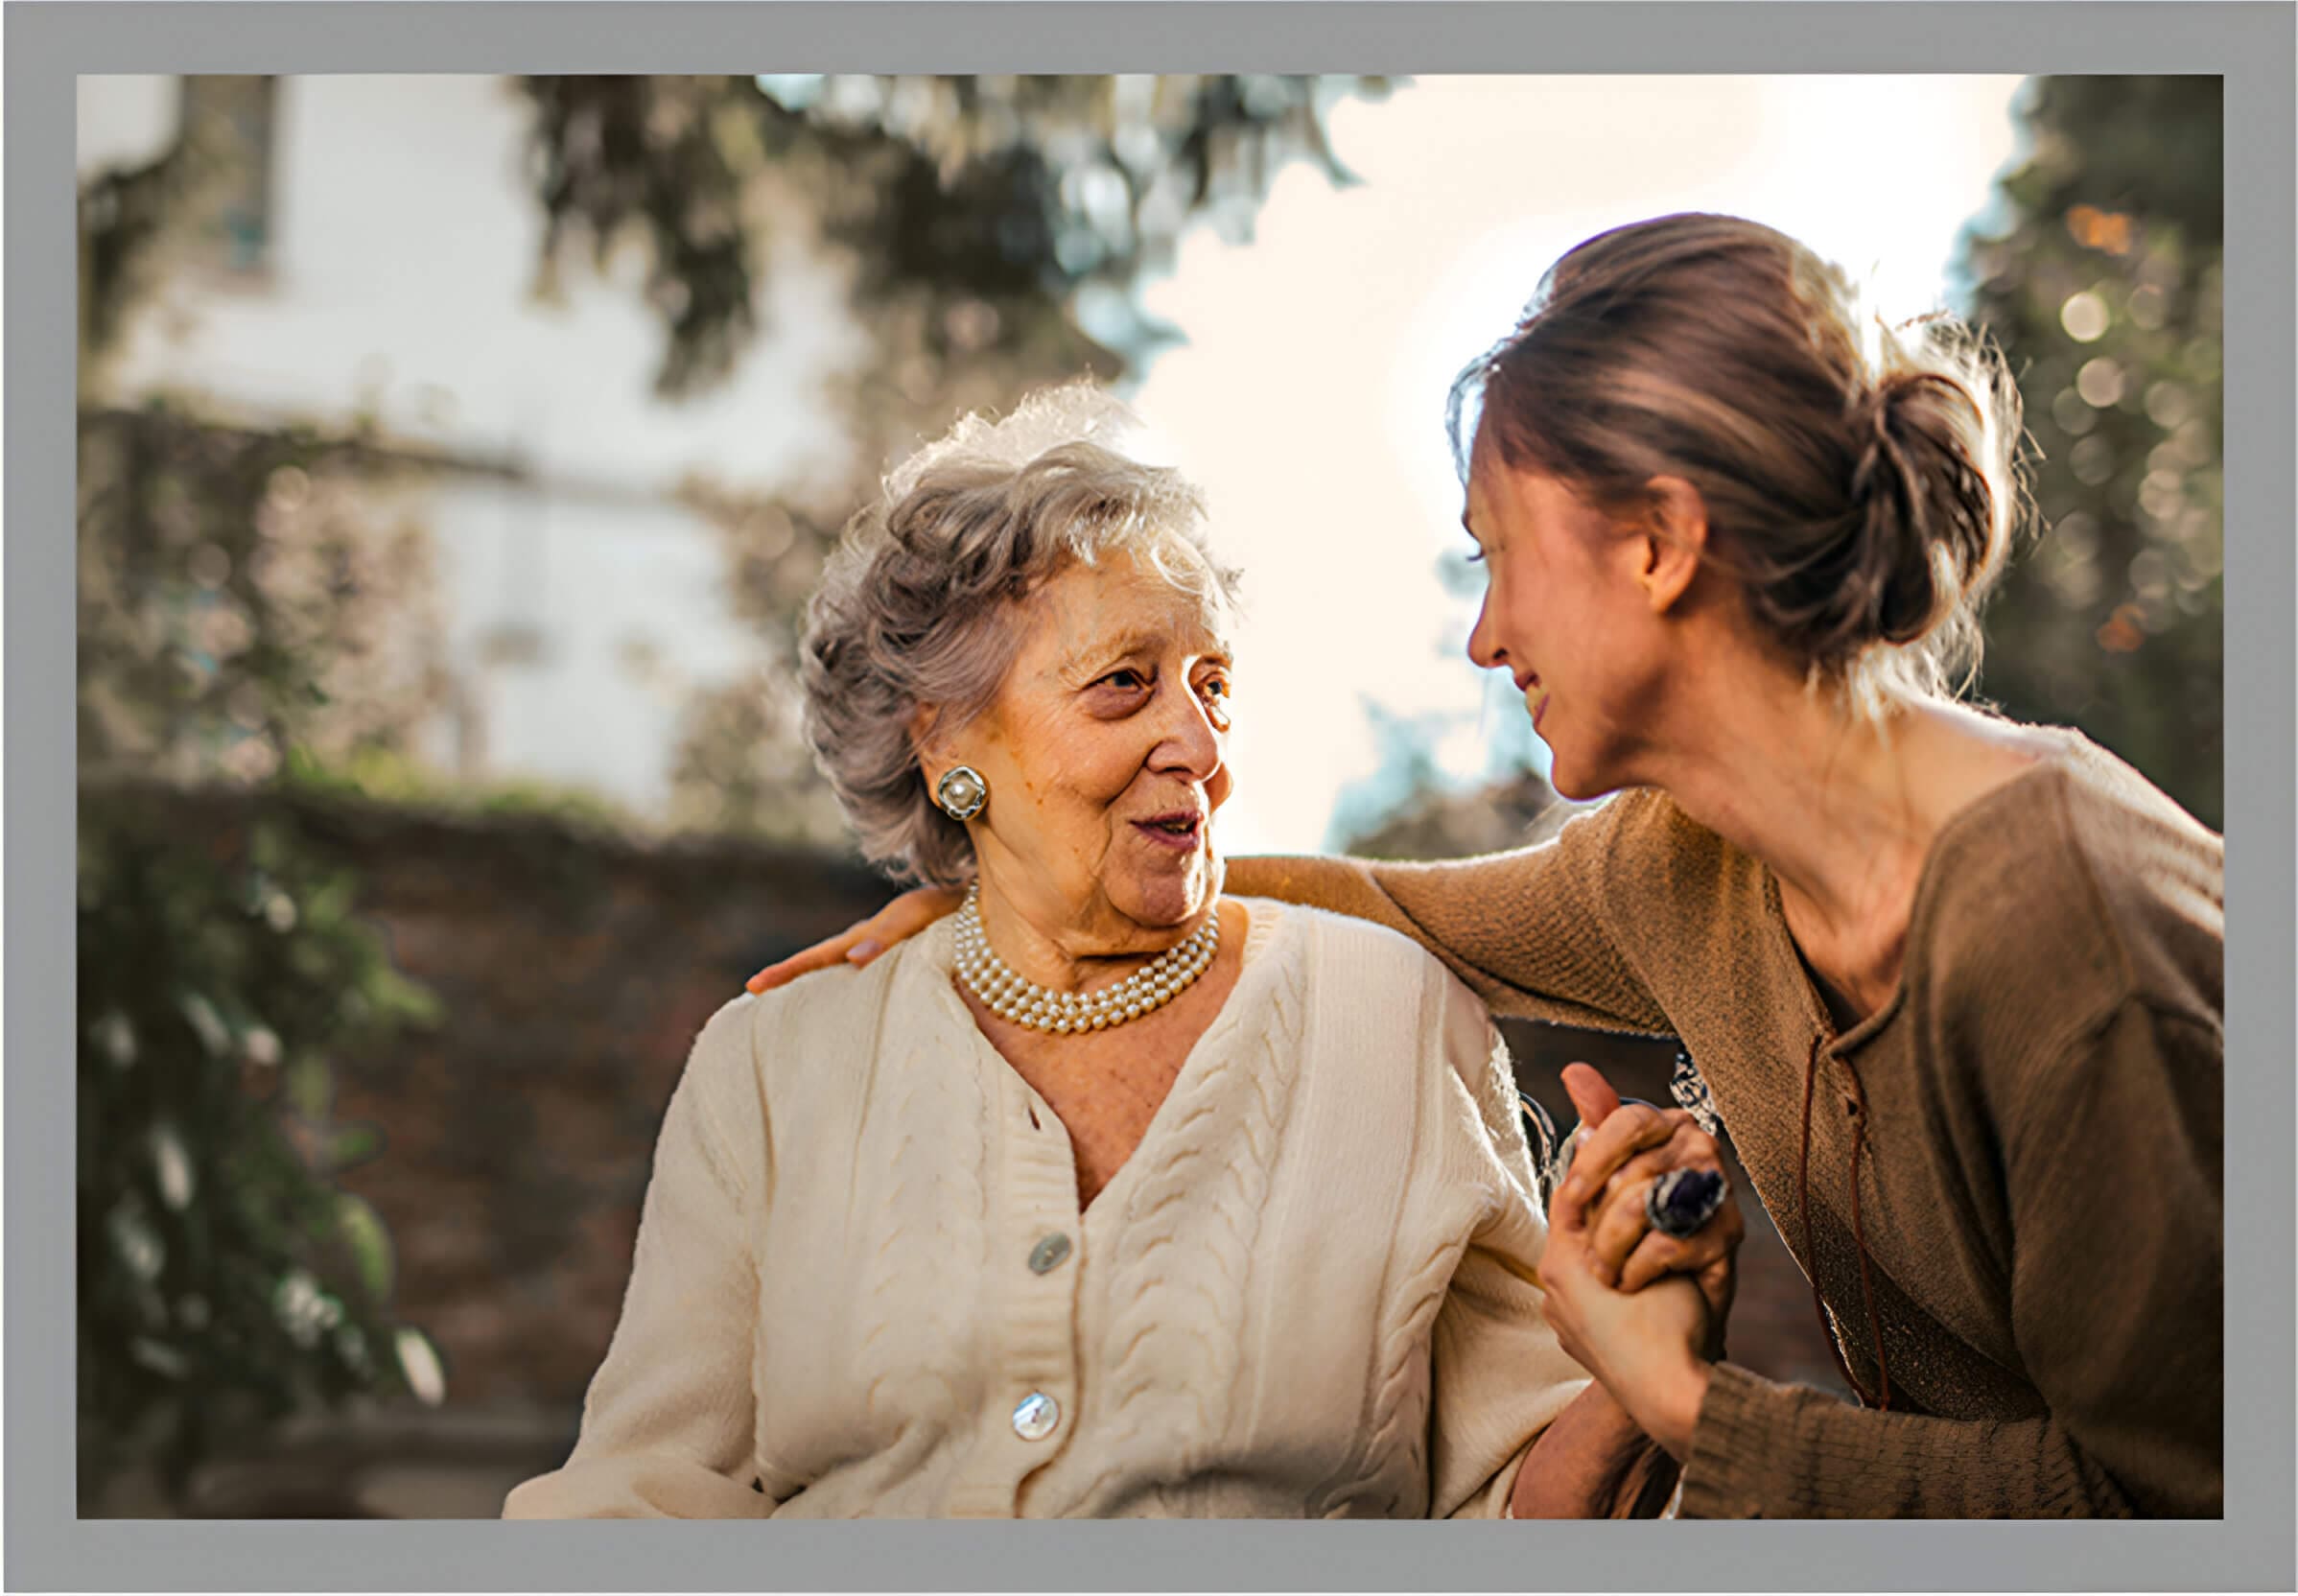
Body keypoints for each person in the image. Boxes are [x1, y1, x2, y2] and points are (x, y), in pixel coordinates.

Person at [747, 216, 2225, 1518]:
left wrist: (1688, 1410)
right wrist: (1011, 881)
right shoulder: (1685, 869)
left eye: (1497, 556)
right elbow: (1391, 906)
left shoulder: (2065, 931)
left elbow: (2193, 1513)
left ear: (1656, 543)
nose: (1486, 634)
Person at [504, 385, 1722, 1520]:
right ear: (945, 743)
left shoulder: (1391, 1017)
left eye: (1212, 685)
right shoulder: (774, 1063)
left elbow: (1513, 1510)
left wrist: (1634, 1381)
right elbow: (639, 1501)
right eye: (1124, 685)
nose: (1195, 741)